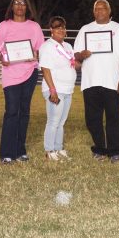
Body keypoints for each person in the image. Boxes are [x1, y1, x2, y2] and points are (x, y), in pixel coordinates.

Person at [74, 0, 119, 163]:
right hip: (90, 81)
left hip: (113, 82)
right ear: (93, 12)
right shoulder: (85, 29)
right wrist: (81, 55)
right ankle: (99, 148)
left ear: (109, 10)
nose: (99, 11)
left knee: (113, 117)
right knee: (92, 119)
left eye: (103, 8)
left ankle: (115, 151)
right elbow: (76, 55)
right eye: (96, 9)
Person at [0, 0, 45, 164]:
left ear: (27, 6)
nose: (20, 6)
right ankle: (6, 153)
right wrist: (2, 58)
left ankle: (19, 151)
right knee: (11, 111)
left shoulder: (34, 26)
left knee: (24, 112)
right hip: (10, 74)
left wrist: (35, 55)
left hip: (30, 72)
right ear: (12, 6)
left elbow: (40, 48)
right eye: (16, 3)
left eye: (23, 3)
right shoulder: (4, 25)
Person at [39, 16, 77, 161]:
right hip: (55, 89)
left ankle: (59, 147)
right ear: (51, 30)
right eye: (57, 27)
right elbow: (45, 69)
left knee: (61, 122)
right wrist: (52, 90)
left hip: (67, 89)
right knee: (53, 121)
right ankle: (49, 150)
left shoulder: (68, 46)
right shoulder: (47, 46)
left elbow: (73, 64)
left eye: (62, 27)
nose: (60, 29)